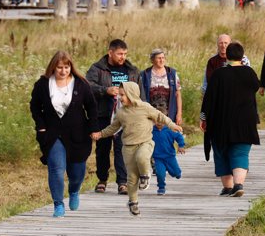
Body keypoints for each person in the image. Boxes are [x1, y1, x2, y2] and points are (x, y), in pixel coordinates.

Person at [30, 50, 100, 218]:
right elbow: (34, 106)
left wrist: (94, 128)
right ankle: (58, 204)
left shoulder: (81, 84)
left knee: (77, 173)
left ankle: (74, 190)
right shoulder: (43, 84)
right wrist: (41, 127)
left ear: (71, 67)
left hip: (78, 134)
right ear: (53, 67)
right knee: (56, 169)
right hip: (53, 134)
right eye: (59, 67)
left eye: (66, 67)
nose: (63, 71)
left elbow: (91, 106)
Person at [94, 82, 182, 216]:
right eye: (119, 95)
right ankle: (133, 202)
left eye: (123, 95)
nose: (120, 98)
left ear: (132, 94)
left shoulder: (145, 107)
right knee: (132, 177)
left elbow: (160, 116)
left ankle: (146, 175)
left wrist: (171, 125)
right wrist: (101, 134)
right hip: (128, 147)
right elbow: (113, 127)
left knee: (142, 157)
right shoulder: (121, 112)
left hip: (145, 142)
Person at [200, 42, 260, 197]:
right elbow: (256, 87)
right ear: (242, 56)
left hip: (221, 122)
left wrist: (203, 118)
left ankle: (227, 187)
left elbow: (209, 99)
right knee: (240, 152)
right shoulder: (249, 73)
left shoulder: (219, 74)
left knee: (221, 152)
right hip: (245, 122)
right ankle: (238, 184)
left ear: (227, 55)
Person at [86, 39, 141, 195]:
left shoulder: (132, 70)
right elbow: (87, 86)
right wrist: (105, 90)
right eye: (119, 54)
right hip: (104, 115)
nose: (122, 57)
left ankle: (122, 182)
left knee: (123, 149)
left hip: (126, 116)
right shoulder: (97, 68)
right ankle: (102, 180)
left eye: (124, 54)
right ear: (110, 52)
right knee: (103, 149)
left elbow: (140, 94)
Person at [141, 49, 182, 125]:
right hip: (150, 114)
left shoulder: (172, 73)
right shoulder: (145, 74)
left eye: (163, 58)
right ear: (152, 60)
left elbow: (178, 94)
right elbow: (140, 96)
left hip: (169, 114)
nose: (161, 60)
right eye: (159, 58)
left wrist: (179, 114)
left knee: (167, 134)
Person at [152, 122, 186, 195]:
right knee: (160, 173)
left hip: (170, 156)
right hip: (158, 157)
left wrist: (181, 146)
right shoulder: (151, 131)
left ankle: (177, 173)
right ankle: (161, 187)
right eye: (156, 120)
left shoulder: (170, 130)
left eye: (160, 120)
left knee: (176, 172)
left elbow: (179, 137)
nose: (158, 123)